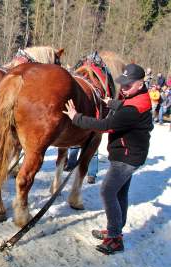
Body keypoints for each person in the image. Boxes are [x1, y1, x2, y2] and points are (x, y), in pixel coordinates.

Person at [63, 63, 153, 255]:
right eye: (123, 84)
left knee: (107, 191)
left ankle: (115, 239)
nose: (124, 88)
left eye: (128, 85)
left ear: (140, 84)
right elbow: (125, 106)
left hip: (126, 157)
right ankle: (115, 230)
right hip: (130, 153)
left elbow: (104, 125)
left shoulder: (133, 109)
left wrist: (75, 117)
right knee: (120, 193)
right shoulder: (139, 97)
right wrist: (112, 103)